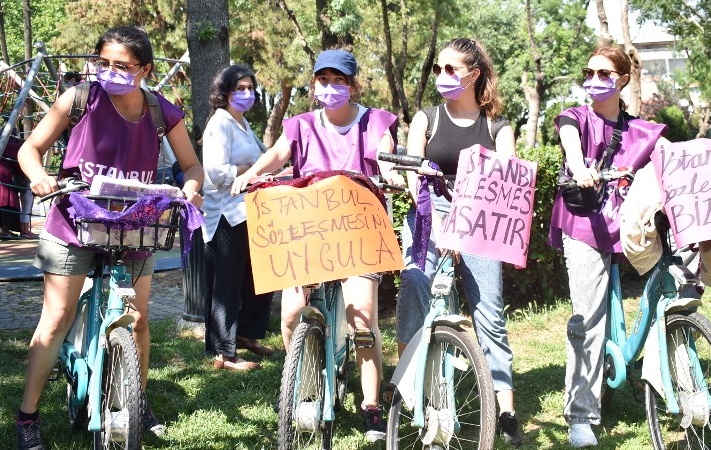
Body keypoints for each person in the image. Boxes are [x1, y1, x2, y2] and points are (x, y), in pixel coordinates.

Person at [15, 25, 204, 450]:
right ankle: (27, 415)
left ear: (145, 70)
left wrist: (190, 188)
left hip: (135, 226)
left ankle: (137, 400)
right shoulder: (79, 98)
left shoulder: (161, 111)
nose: (110, 72)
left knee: (137, 319)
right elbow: (30, 148)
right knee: (56, 318)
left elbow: (192, 166)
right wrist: (40, 176)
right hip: (73, 223)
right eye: (103, 63)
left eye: (122, 65)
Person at [231, 49, 402, 442]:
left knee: (363, 321)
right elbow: (277, 155)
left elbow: (384, 154)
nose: (330, 87)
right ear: (313, 84)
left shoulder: (375, 121)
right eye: (323, 80)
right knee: (292, 314)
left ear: (353, 86)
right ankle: (300, 380)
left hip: (357, 232)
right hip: (308, 231)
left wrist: (391, 172)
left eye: (339, 80)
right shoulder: (301, 125)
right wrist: (251, 174)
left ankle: (371, 404)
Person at [396, 37, 524, 447]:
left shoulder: (498, 127)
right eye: (439, 68)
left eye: (451, 69)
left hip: (480, 217)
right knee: (415, 282)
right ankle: (406, 387)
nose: (442, 76)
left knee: (490, 311)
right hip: (431, 210)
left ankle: (505, 409)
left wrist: (465, 224)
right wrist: (437, 222)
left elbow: (506, 180)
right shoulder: (427, 118)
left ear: (474, 74)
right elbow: (413, 175)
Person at [549, 45, 668, 448]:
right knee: (587, 319)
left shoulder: (640, 130)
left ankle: (670, 365)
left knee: (674, 275)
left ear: (623, 80)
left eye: (604, 74)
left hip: (628, 224)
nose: (595, 80)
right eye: (589, 73)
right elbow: (569, 139)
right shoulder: (577, 117)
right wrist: (580, 166)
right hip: (585, 224)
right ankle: (580, 414)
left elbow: (667, 157)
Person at [201, 64, 274, 371]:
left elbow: (265, 157)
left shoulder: (243, 124)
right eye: (239, 89)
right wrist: (248, 171)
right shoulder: (220, 123)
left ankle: (245, 334)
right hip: (225, 216)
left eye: (250, 88)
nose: (246, 94)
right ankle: (224, 353)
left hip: (250, 212)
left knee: (259, 279)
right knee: (227, 285)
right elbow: (216, 173)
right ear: (225, 93)